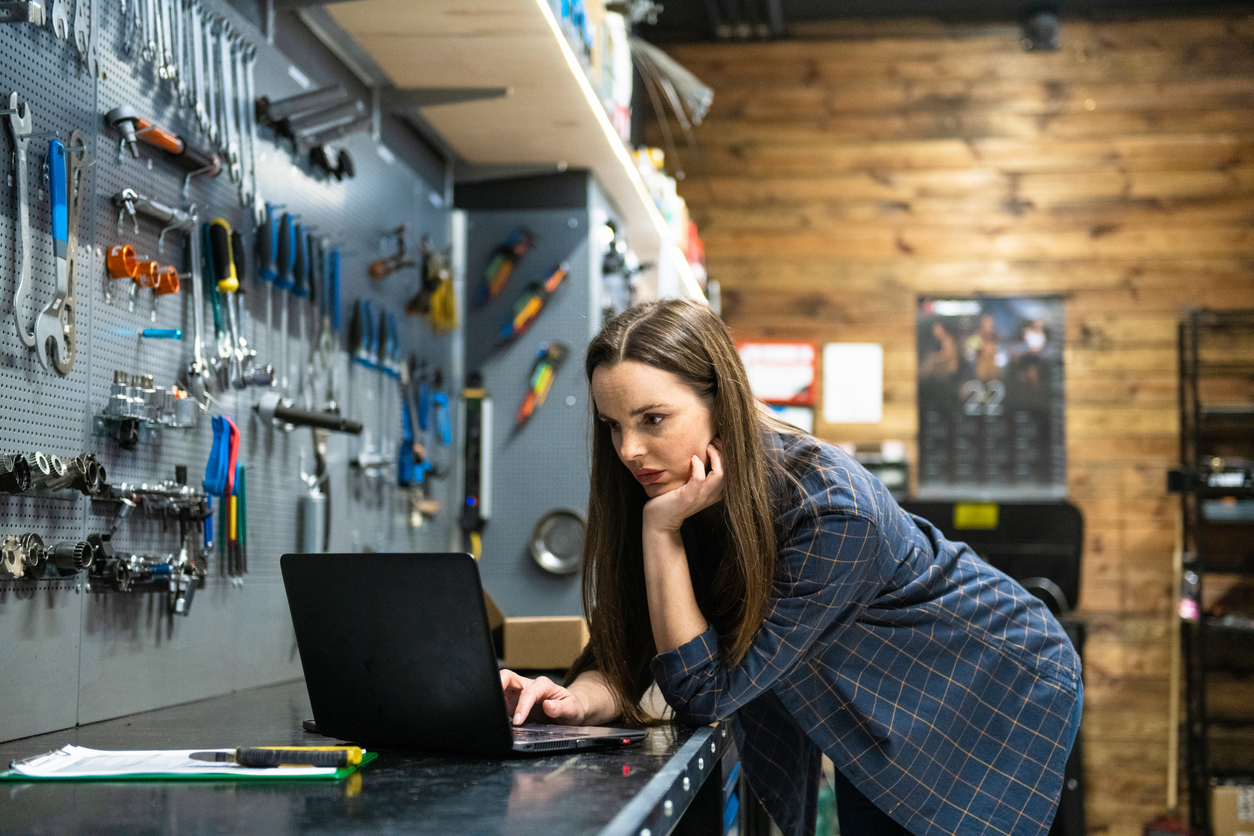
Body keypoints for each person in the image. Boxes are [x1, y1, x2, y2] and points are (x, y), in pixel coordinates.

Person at [499, 299, 1082, 836]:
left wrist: (660, 532)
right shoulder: (667, 489)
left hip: (985, 679)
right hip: (869, 701)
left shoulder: (829, 509)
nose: (628, 450)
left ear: (720, 405)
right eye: (613, 426)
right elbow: (625, 654)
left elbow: (706, 692)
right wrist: (569, 704)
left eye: (653, 419)